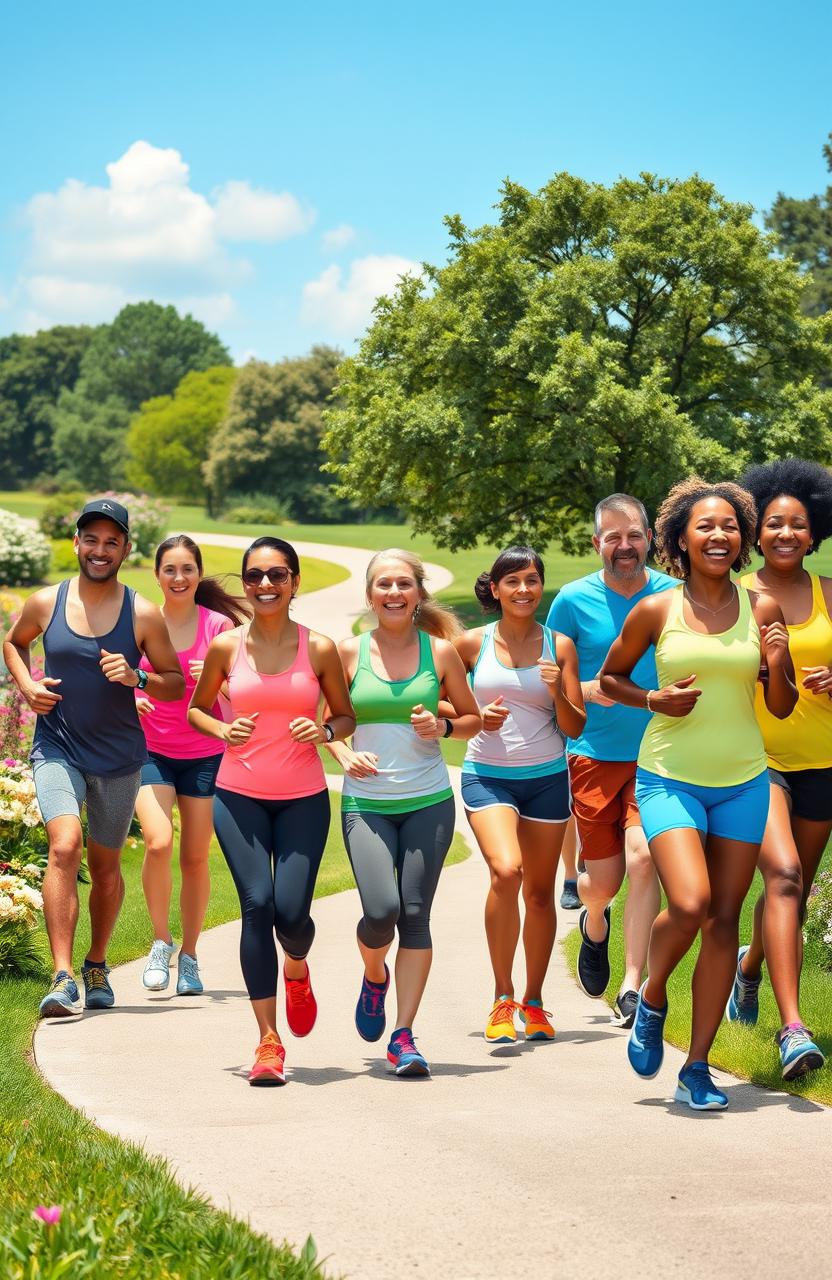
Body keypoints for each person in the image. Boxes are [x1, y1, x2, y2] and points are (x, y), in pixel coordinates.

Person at [600, 479, 796, 1110]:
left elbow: (782, 706)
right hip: (669, 776)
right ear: (680, 539)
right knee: (689, 903)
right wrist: (652, 698)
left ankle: (698, 1068)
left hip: (743, 780)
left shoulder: (760, 607)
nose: (719, 535)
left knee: (721, 923)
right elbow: (611, 677)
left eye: (730, 526)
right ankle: (653, 997)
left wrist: (781, 657)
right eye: (705, 527)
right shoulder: (657, 609)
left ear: (741, 538)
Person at [2, 498, 184, 1019]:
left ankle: (96, 963)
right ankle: (62, 977)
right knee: (65, 844)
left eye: (112, 541)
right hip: (56, 746)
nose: (99, 550)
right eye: (91, 539)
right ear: (77, 543)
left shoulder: (141, 613)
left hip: (120, 757)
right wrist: (27, 685)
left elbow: (174, 684)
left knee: (105, 868)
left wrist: (138, 677)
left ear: (126, 548)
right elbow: (15, 644)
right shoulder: (46, 602)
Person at [189, 536, 355, 1086]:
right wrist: (221, 727)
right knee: (257, 904)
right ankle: (267, 1041)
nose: (266, 585)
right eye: (255, 575)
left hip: (304, 798)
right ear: (245, 582)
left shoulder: (321, 648)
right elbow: (196, 711)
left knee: (293, 915)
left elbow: (346, 717)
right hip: (238, 796)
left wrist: (325, 729)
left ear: (295, 582)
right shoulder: (225, 648)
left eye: (277, 575)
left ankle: (298, 968)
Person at [326, 550, 481, 1077]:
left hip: (429, 801)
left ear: (418, 594)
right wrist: (345, 754)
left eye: (403, 585)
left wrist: (443, 728)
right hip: (366, 804)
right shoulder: (347, 653)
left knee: (416, 914)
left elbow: (472, 718)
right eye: (383, 585)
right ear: (370, 596)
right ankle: (374, 975)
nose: (394, 593)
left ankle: (404, 1034)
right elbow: (326, 722)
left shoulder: (440, 653)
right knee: (382, 911)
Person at [546, 495, 675, 1027]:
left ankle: (631, 984)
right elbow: (551, 677)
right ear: (596, 542)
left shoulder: (675, 595)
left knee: (645, 858)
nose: (625, 547)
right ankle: (594, 921)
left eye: (634, 535)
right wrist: (591, 687)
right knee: (602, 883)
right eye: (613, 537)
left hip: (661, 752)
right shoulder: (572, 601)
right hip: (594, 753)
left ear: (650, 538)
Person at [724, 459, 832, 1079]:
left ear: (813, 534)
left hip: (823, 760)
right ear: (754, 532)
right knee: (786, 874)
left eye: (799, 524)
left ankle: (749, 965)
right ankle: (794, 1030)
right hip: (755, 760)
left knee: (788, 886)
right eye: (773, 524)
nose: (786, 533)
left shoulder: (829, 595)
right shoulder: (735, 598)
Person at [454, 547, 585, 1044]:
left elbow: (575, 725)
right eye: (513, 582)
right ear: (495, 588)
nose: (524, 590)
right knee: (506, 871)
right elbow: (448, 701)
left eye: (532, 580)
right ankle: (501, 996)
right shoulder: (470, 644)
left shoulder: (561, 646)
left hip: (548, 778)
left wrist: (557, 692)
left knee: (539, 892)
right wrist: (474, 717)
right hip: (488, 775)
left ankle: (534, 1001)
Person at [135, 535, 248, 997]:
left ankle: (191, 956)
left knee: (196, 857)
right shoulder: (141, 621)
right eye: (169, 570)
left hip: (205, 752)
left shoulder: (219, 626)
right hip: (149, 750)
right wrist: (131, 700)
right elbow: (121, 676)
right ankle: (161, 941)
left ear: (198, 574)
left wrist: (218, 684)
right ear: (157, 575)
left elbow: (244, 697)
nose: (178, 578)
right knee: (159, 843)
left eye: (187, 569)